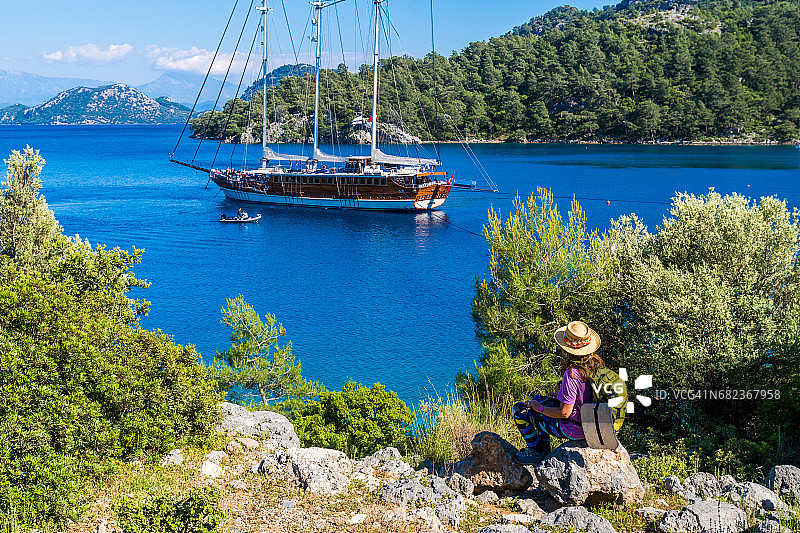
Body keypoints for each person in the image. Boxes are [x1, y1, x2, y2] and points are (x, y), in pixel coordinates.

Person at [511, 320, 604, 465]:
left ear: (567, 350)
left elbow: (564, 413)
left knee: (519, 410)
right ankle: (544, 450)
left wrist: (539, 408)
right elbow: (584, 395)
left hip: (574, 429)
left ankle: (536, 452)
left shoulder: (572, 373)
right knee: (539, 399)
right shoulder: (596, 365)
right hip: (590, 424)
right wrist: (561, 395)